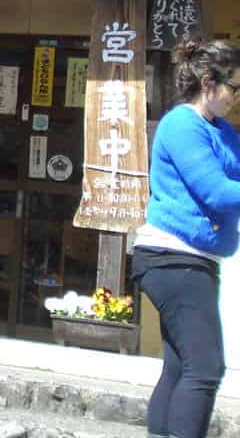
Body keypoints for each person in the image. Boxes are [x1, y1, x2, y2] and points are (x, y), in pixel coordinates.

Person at [133, 38, 240, 438]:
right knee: (206, 367)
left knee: (180, 366)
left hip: (192, 260)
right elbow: (215, 191)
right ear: (208, 82)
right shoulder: (181, 124)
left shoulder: (222, 131)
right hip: (172, 258)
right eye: (234, 87)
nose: (237, 97)